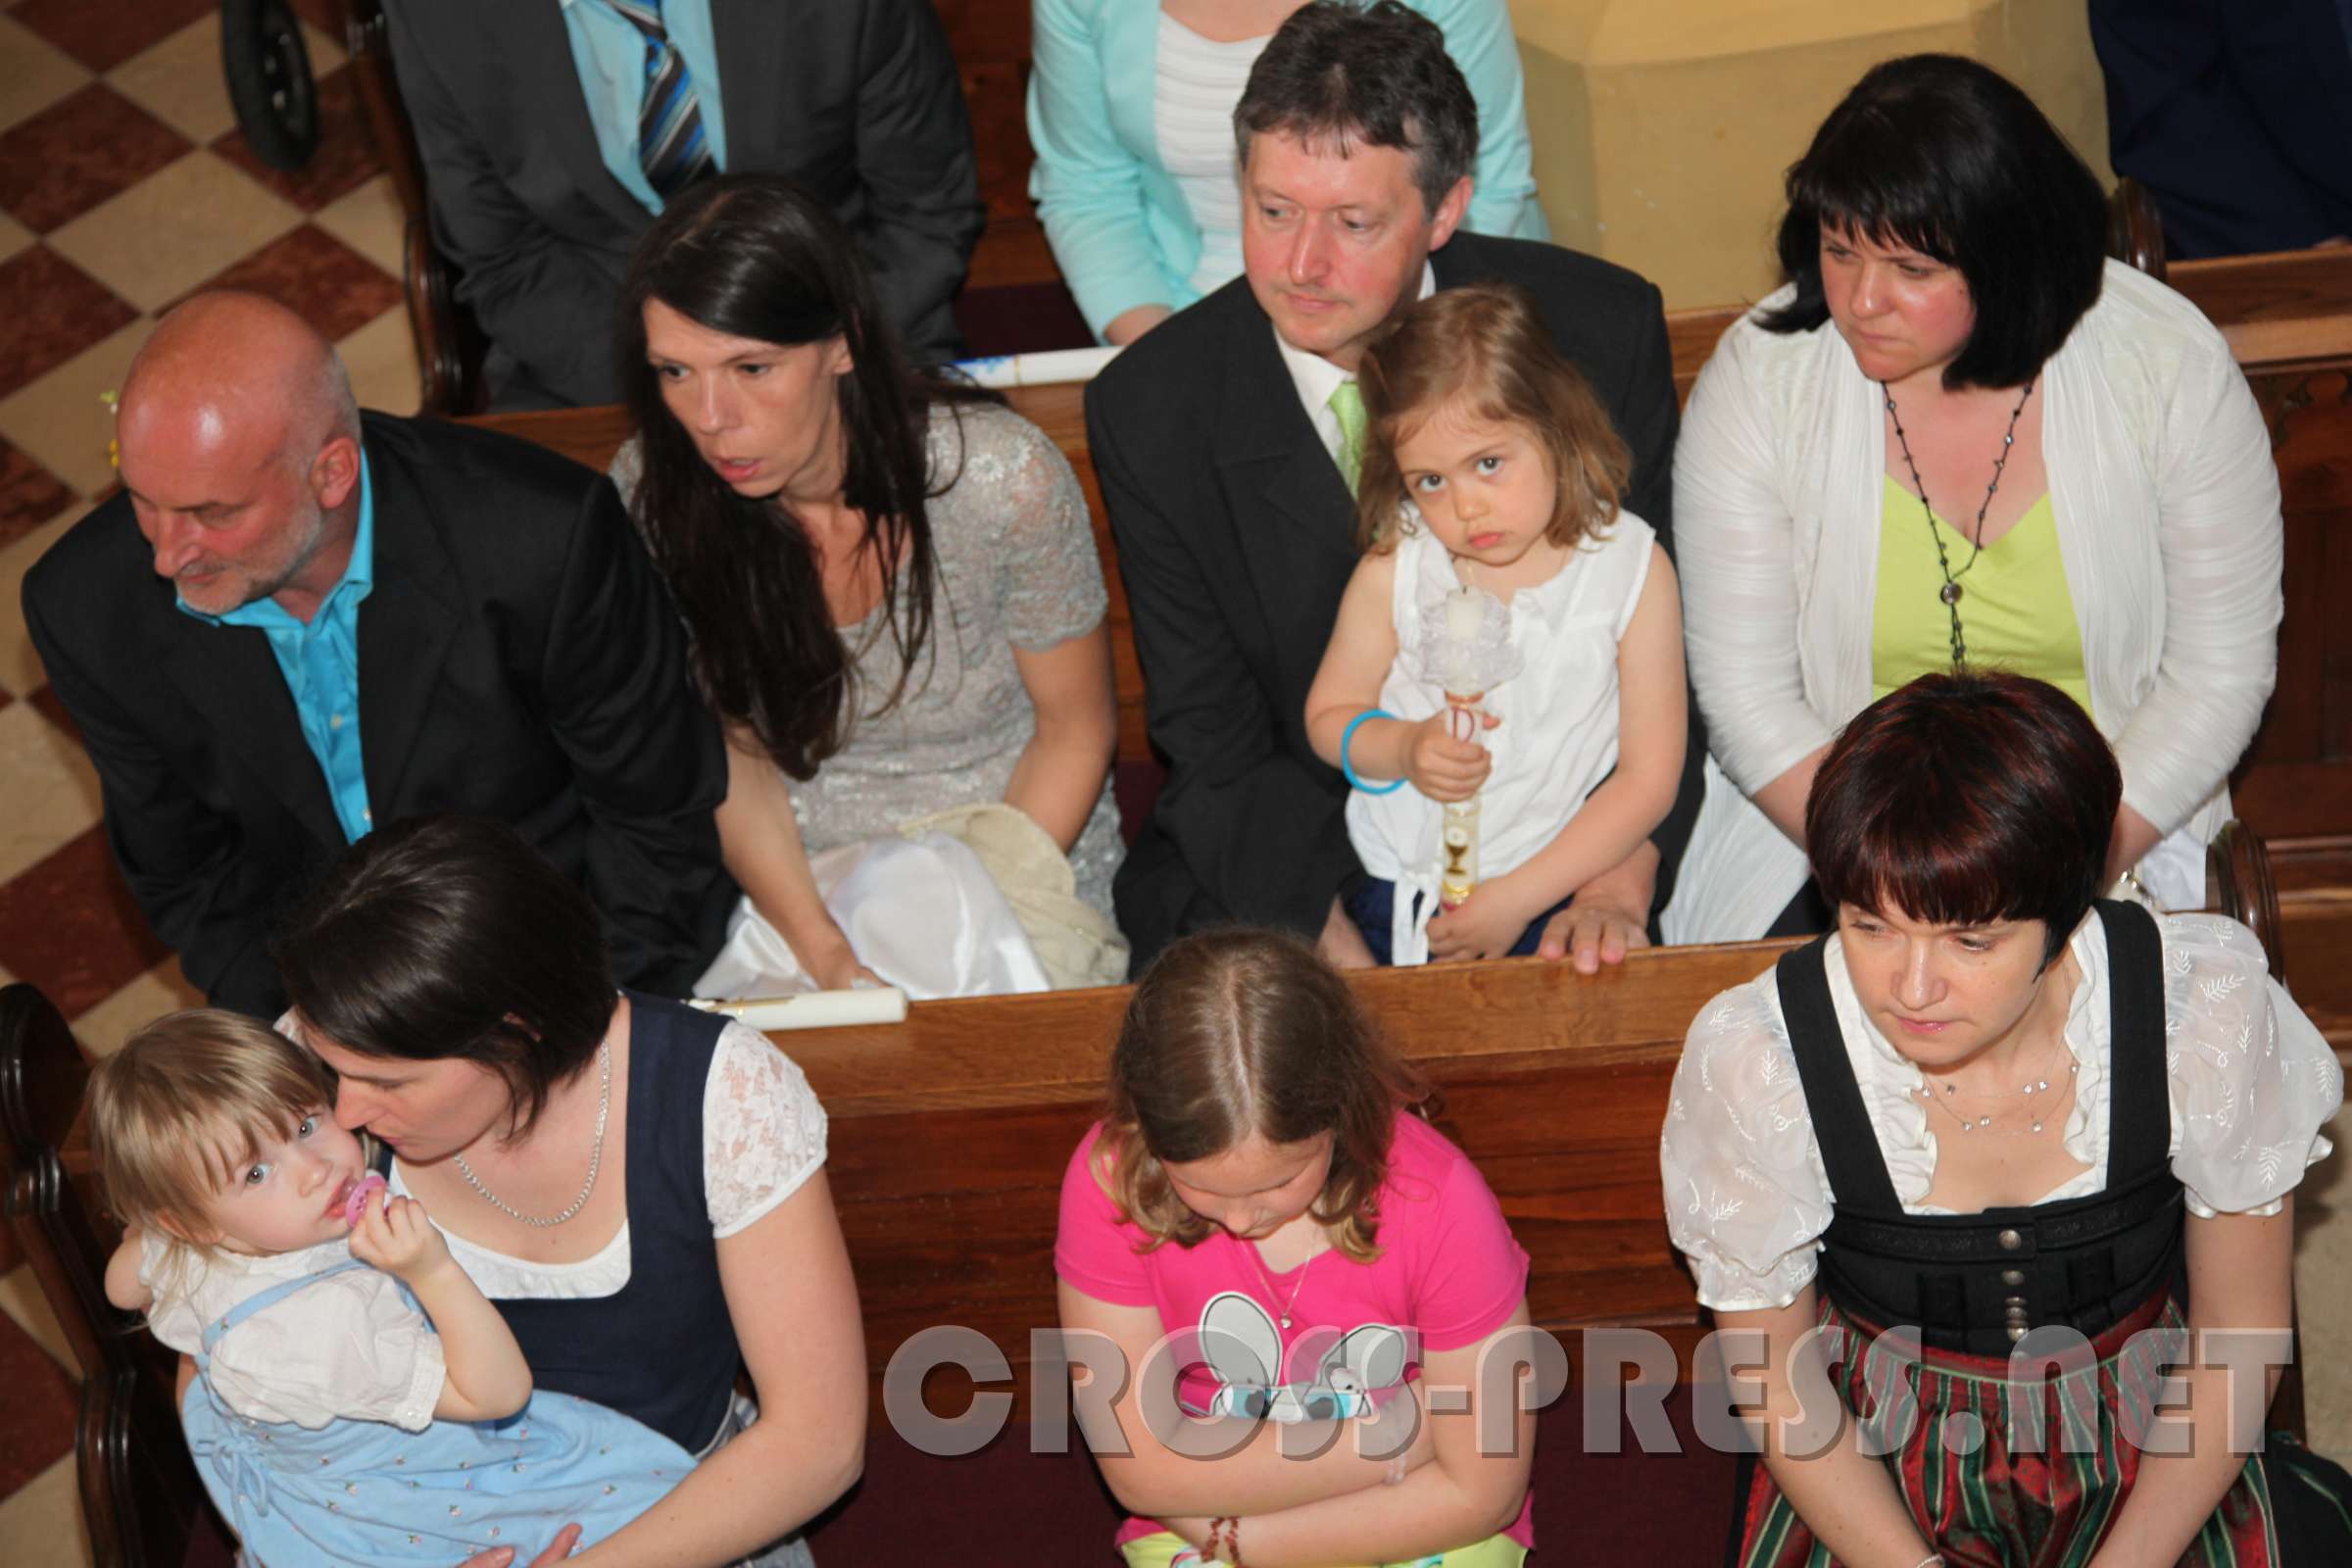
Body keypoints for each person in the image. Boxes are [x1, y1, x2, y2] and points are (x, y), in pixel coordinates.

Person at [1660, 671, 2350, 1566]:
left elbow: (2240, 1334)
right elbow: (1781, 1386)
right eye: (1870, 926)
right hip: (1881, 1468)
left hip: (2161, 1445)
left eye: (1971, 940)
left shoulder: (2194, 1014)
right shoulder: (1764, 1057)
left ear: (2061, 919)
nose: (1912, 989)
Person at [1089, 0, 1696, 977]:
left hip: (1569, 836)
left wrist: (1610, 884)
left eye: (1354, 223)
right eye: (1273, 211)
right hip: (1292, 844)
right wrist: (1351, 970)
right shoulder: (1155, 406)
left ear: (1444, 210)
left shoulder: (1594, 331)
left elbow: (1660, 643)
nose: (1302, 265)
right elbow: (1212, 738)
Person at [1666, 54, 2282, 945]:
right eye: (1840, 251)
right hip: (1834, 841)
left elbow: (2219, 673)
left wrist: (2070, 867)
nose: (1862, 301)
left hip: (2116, 832)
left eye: (1911, 269)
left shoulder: (2167, 366)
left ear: (2009, 258)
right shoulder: (1763, 383)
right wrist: (1897, 886)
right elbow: (1745, 695)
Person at [20, 292, 733, 1019]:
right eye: (143, 499)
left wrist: (573, 1026)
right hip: (324, 999)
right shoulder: (84, 608)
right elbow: (191, 878)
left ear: (332, 473)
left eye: (213, 513)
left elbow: (657, 820)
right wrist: (317, 1035)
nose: (168, 556)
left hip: (561, 958)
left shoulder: (541, 540)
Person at [270, 814, 865, 1568]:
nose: (346, 1113)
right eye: (338, 1072)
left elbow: (819, 1443)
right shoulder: (312, 1075)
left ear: (517, 1033)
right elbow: (215, 1335)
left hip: (671, 1525)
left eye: (388, 1084)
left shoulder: (719, 1095)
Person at [614, 174, 1125, 999]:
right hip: (794, 889)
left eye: (751, 367)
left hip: (1017, 860)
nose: (710, 417)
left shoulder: (999, 479)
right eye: (675, 371)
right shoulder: (658, 495)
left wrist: (955, 927)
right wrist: (824, 950)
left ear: (843, 344)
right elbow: (734, 753)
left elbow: (1075, 731)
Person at [90, 1010, 699, 1564]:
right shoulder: (326, 1327)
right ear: (193, 1223)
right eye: (256, 1173)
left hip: (303, 1490)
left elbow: (121, 1287)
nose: (315, 1170)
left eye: (305, 1125)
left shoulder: (182, 1247)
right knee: (639, 1513)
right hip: (412, 1511)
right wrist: (432, 1271)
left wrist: (159, 1232)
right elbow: (498, 1393)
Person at [1056, 927, 1537, 1566]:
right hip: (1208, 1513)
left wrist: (1251, 1545)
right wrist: (1399, 1431)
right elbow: (1140, 1475)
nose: (1239, 1218)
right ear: (1143, 1128)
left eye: (1278, 1183)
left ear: (1341, 1115)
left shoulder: (1440, 1198)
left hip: (1405, 1512)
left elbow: (1482, 1493)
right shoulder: (1110, 1181)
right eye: (1200, 1186)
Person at [1302, 284, 1685, 964]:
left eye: (1487, 464)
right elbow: (1330, 716)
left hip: (1552, 894)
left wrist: (1516, 900)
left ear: (1556, 426)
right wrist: (1404, 749)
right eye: (1430, 481)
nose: (1466, 507)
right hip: (1396, 892)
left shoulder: (1630, 571)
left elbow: (1648, 780)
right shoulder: (1399, 565)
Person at [384, 0, 983, 407]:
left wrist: (802, 368)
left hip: (843, 332)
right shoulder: (440, 13)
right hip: (596, 359)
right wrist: (675, 389)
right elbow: (503, 258)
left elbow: (927, 212)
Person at [1027, 0, 1549, 346]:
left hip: (1422, 312)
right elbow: (1086, 189)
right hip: (1179, 314)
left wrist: (1409, 351)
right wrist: (1170, 355)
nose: (1303, 266)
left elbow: (1491, 184)